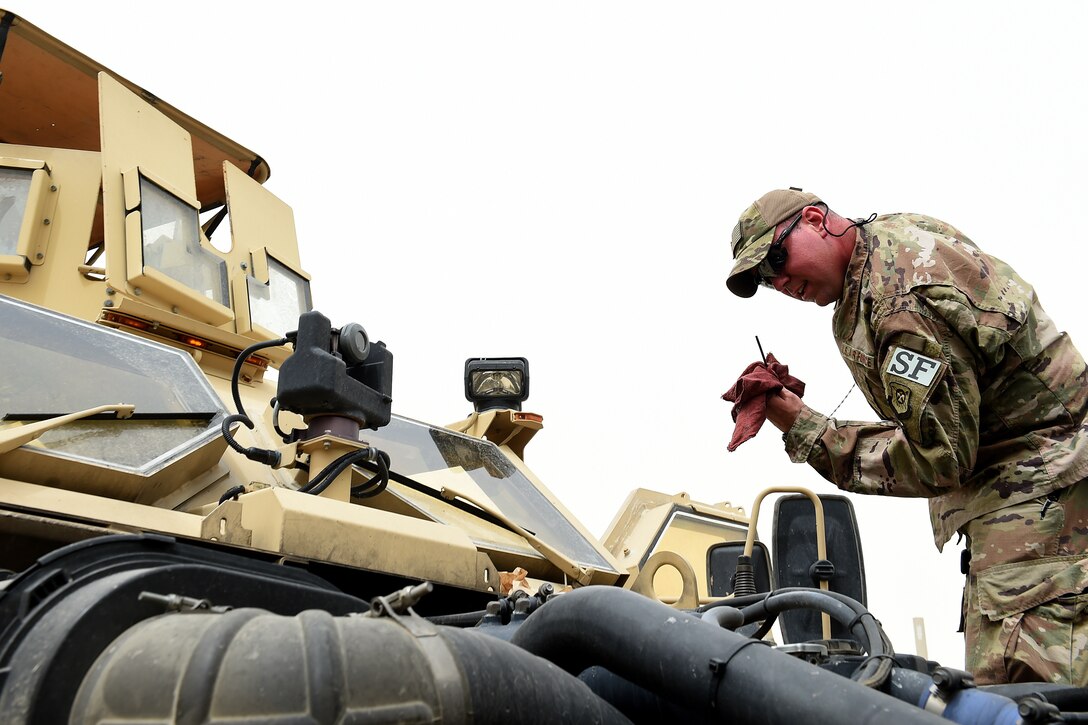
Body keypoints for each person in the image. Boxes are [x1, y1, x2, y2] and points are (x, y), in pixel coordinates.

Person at [726, 187, 1088, 685]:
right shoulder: (890, 243)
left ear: (814, 218)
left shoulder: (896, 303)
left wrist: (804, 426)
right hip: (1046, 504)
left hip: (1038, 516)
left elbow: (942, 460)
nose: (781, 281)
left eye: (776, 258)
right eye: (767, 280)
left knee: (1025, 704)